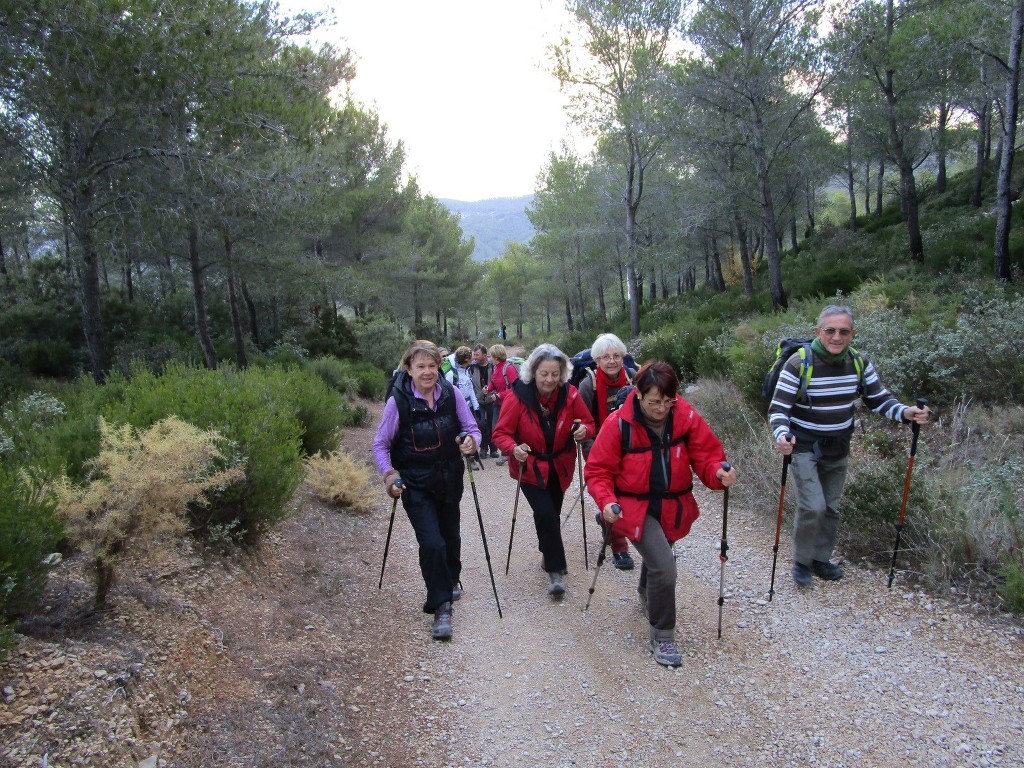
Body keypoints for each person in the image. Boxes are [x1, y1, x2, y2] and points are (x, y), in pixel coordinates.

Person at [584, 361, 736, 667]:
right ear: (638, 395)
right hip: (633, 506)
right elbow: (598, 471)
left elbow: (707, 456)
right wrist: (606, 502)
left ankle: (646, 594)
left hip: (673, 505)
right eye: (654, 401)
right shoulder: (618, 424)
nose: (662, 408)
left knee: (659, 558)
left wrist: (718, 473)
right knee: (665, 565)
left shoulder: (686, 416)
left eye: (668, 401)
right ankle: (663, 636)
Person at [768, 304, 929, 588]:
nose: (836, 337)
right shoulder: (798, 363)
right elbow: (779, 408)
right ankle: (802, 562)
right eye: (830, 330)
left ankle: (821, 559)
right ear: (818, 332)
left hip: (839, 446)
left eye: (843, 331)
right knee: (813, 506)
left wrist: (906, 413)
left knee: (831, 507)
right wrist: (782, 434)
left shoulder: (858, 363)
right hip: (803, 445)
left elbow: (879, 399)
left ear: (852, 334)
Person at [372, 340, 481, 641]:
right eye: (421, 366)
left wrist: (472, 442)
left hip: (449, 477)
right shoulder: (399, 401)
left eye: (433, 365)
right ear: (409, 368)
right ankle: (440, 605)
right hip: (414, 482)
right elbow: (381, 445)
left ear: (439, 367)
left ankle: (452, 577)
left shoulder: (451, 393)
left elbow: (471, 427)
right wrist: (389, 475)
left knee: (451, 536)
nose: (428, 372)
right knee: (432, 543)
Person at [491, 343, 595, 597]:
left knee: (551, 513)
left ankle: (547, 550)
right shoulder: (517, 397)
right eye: (544, 374)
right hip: (530, 466)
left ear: (562, 374)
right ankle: (556, 570)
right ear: (533, 373)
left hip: (560, 465)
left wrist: (584, 431)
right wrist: (513, 448)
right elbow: (500, 433)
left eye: (555, 374)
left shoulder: (569, 395)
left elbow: (589, 423)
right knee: (546, 513)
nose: (550, 379)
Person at [576, 332, 637, 571]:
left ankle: (605, 519)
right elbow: (582, 421)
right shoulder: (587, 384)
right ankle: (619, 547)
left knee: (629, 493)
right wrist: (592, 452)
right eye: (605, 357)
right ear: (597, 360)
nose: (612, 361)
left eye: (616, 356)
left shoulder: (634, 378)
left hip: (632, 447)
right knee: (612, 495)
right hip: (599, 447)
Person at [483, 343, 519, 466]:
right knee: (496, 429)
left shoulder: (508, 368)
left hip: (510, 404)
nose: (489, 358)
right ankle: (507, 451)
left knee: (510, 429)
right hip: (498, 404)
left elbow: (516, 388)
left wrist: (499, 395)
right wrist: (488, 388)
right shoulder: (496, 367)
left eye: (491, 356)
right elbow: (493, 382)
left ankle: (507, 454)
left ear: (496, 356)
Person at [469, 344, 497, 458]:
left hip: (492, 399)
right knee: (480, 425)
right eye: (474, 354)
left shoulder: (493, 366)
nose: (474, 357)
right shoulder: (471, 367)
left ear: (485, 355)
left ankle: (494, 448)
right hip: (478, 400)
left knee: (492, 425)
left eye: (477, 354)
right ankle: (483, 448)